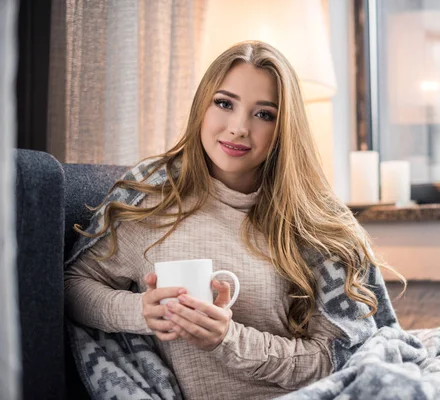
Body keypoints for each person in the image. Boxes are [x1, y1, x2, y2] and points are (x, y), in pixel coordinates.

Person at [64, 41, 399, 400]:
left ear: (284, 127)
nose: (239, 127)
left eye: (264, 114)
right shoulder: (151, 197)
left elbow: (337, 359)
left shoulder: (316, 220)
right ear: (202, 108)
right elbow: (73, 286)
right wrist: (140, 312)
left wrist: (228, 339)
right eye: (225, 104)